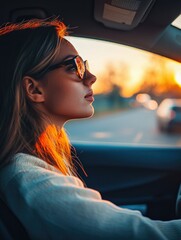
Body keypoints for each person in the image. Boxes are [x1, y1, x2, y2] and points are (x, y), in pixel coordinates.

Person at [0, 18, 180, 240]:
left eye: (84, 65)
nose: (91, 77)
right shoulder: (32, 181)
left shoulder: (29, 168)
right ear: (34, 88)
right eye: (74, 66)